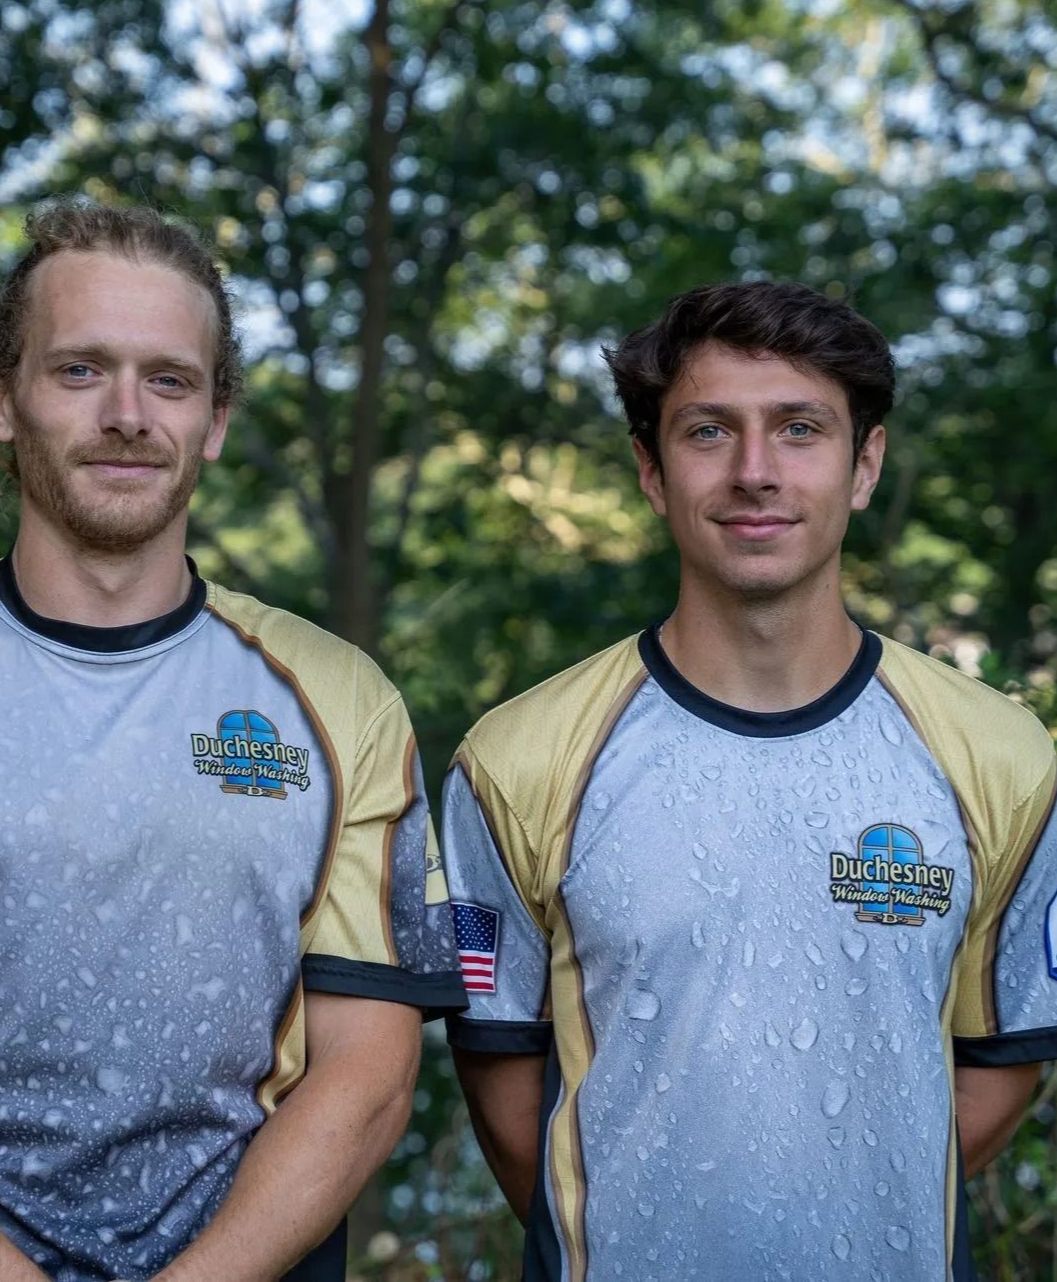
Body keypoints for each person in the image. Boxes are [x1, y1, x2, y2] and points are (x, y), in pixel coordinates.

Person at [0, 198, 464, 1282]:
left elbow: (368, 1077)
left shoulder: (342, 701)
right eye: (80, 371)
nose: (128, 413)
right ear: (2, 398)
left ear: (214, 419)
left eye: (168, 380)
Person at [439, 281, 1057, 1281]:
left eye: (800, 429)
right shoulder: (517, 761)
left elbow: (1000, 1066)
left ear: (865, 466)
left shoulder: (1000, 758)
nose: (755, 471)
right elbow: (506, 1089)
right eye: (709, 432)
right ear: (651, 471)